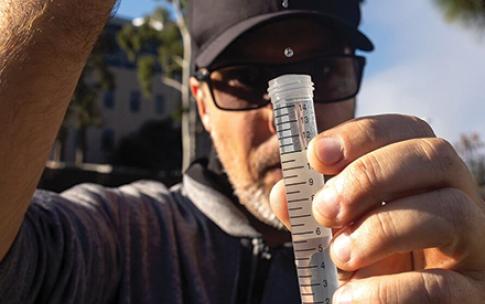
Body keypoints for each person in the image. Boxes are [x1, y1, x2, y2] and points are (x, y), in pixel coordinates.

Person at [0, 0, 484, 303]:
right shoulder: (121, 237)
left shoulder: (422, 249)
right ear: (202, 106)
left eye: (323, 73)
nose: (284, 116)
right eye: (243, 81)